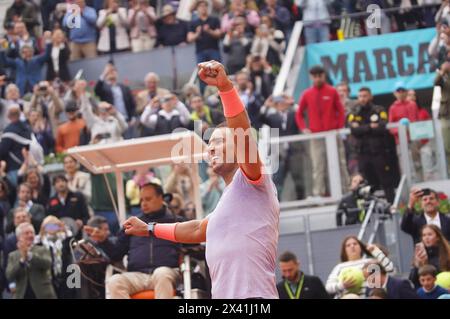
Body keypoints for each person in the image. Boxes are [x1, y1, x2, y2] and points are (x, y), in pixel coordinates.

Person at [123, 60, 280, 299]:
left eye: (219, 141)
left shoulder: (252, 179)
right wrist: (150, 229)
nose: (212, 149)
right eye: (210, 144)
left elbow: (242, 133)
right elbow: (196, 229)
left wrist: (225, 88)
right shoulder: (228, 200)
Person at [84, 182, 183, 299]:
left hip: (167, 272)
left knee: (161, 273)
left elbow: (193, 247)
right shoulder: (133, 223)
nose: (143, 203)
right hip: (138, 275)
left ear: (161, 198)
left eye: (148, 199)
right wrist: (103, 240)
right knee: (115, 281)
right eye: (141, 200)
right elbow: (116, 254)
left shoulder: (176, 221)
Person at [295, 65, 345, 197]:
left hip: (332, 134)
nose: (317, 79)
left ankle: (345, 190)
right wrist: (304, 128)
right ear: (311, 77)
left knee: (340, 163)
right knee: (318, 166)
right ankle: (319, 193)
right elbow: (299, 114)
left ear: (324, 76)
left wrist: (338, 128)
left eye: (320, 76)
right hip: (316, 136)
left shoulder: (332, 91)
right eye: (315, 76)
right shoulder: (307, 94)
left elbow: (340, 110)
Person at [347, 87, 398, 203]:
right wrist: (370, 127)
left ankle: (391, 206)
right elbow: (354, 131)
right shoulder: (354, 112)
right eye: (360, 96)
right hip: (363, 154)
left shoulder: (379, 110)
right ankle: (370, 210)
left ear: (370, 96)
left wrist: (362, 128)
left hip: (379, 153)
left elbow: (382, 127)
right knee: (366, 184)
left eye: (365, 96)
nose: (362, 99)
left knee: (386, 181)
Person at [259, 94, 305, 200]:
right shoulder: (272, 117)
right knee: (277, 180)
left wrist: (292, 103)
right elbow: (260, 118)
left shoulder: (293, 114)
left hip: (294, 151)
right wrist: (266, 106)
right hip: (278, 153)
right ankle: (276, 202)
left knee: (298, 178)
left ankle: (301, 200)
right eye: (278, 103)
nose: (281, 105)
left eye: (283, 102)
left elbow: (302, 113)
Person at [326, 236, 394, 299]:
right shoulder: (339, 267)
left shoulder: (370, 262)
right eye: (348, 245)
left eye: (355, 244)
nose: (352, 246)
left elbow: (390, 269)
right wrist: (342, 285)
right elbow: (328, 288)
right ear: (344, 250)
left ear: (360, 247)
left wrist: (376, 251)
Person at [6, 222, 57, 299]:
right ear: (19, 237)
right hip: (22, 294)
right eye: (26, 233)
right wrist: (22, 261)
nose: (30, 235)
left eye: (32, 233)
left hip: (43, 294)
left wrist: (29, 255)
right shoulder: (13, 255)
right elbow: (9, 275)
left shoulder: (42, 249)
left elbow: (48, 263)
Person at [35, 215, 74, 298]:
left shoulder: (64, 240)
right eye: (49, 226)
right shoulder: (39, 242)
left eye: (54, 226)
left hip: (64, 276)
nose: (52, 228)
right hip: (46, 279)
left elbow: (72, 243)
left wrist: (64, 230)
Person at [0, 105, 33, 186]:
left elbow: (2, 151)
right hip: (29, 167)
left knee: (18, 194)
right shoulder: (26, 127)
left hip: (14, 168)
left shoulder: (9, 130)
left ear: (8, 116)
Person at [433, 60, 450, 174]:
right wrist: (443, 71)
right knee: (447, 145)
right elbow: (436, 82)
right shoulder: (443, 77)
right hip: (446, 115)